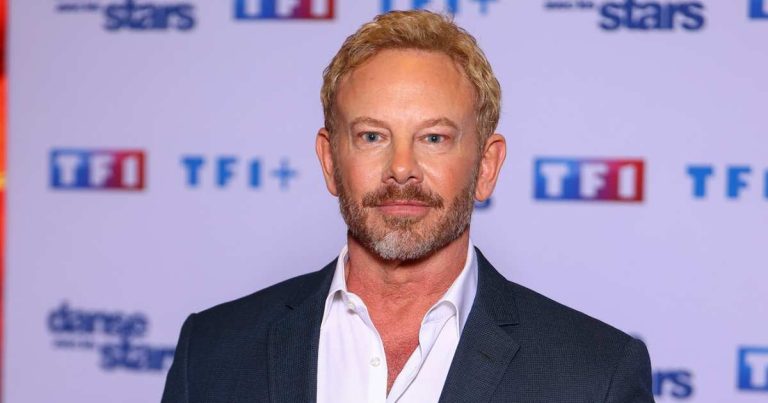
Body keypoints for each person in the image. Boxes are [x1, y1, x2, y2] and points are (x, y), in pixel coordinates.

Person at [162, 10, 653, 403]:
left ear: (486, 166)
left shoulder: (595, 375)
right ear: (330, 161)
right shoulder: (211, 351)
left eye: (434, 138)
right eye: (372, 136)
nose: (401, 169)